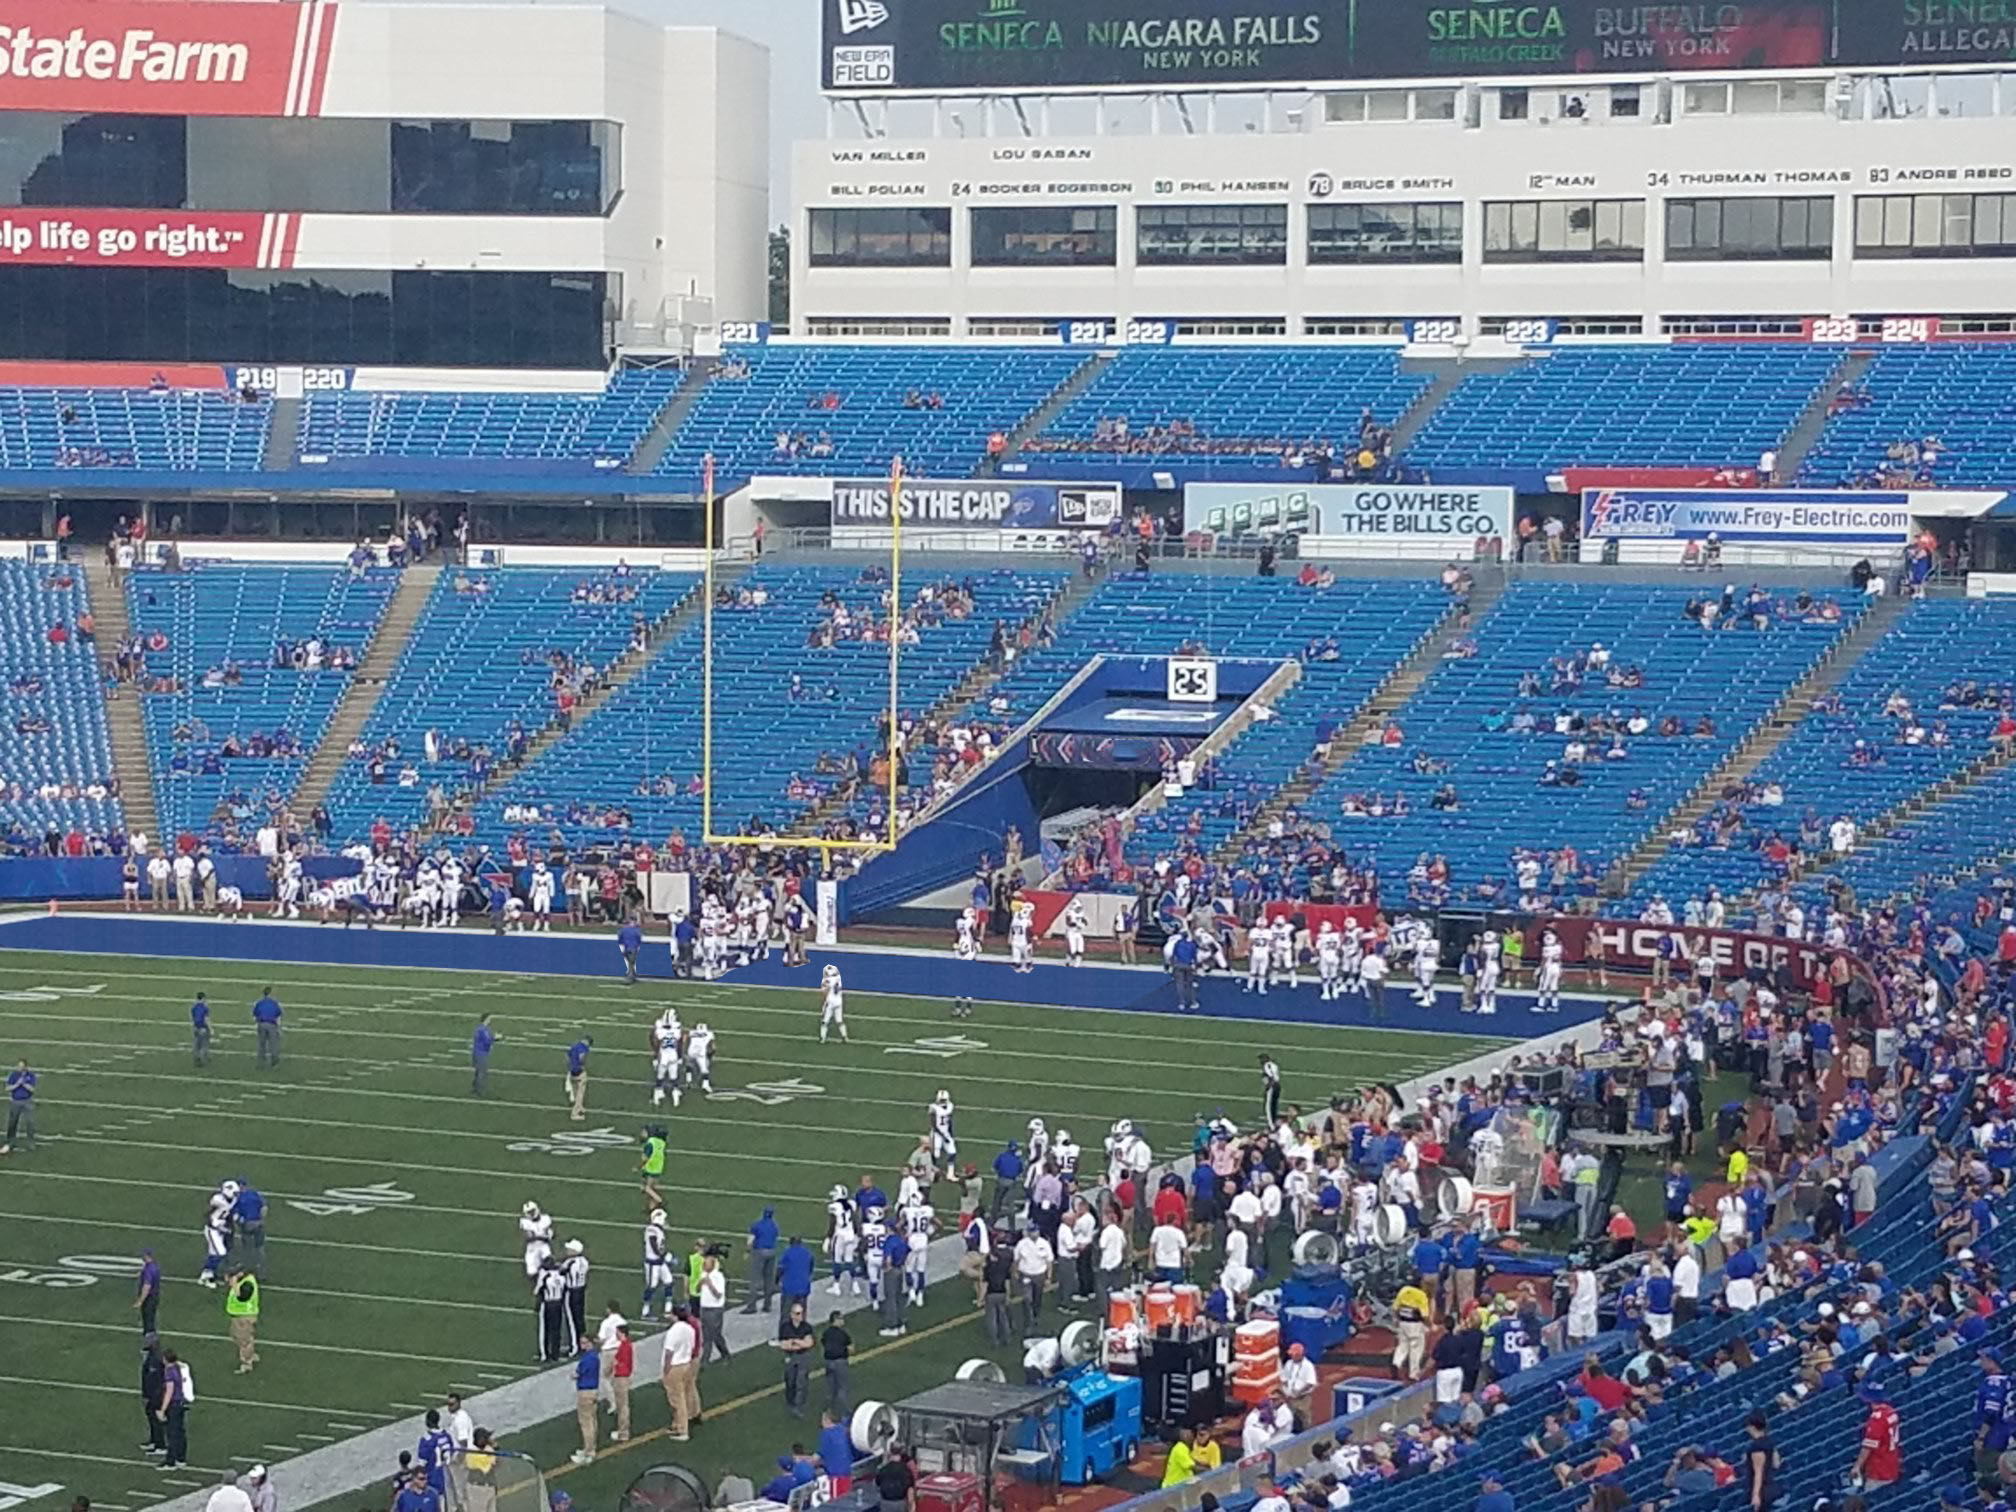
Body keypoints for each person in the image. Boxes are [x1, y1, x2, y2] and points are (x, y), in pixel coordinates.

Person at [660, 1303, 700, 1441]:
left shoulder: (673, 1331)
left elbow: (669, 1352)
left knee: (677, 1400)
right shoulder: (690, 1329)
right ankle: (677, 1425)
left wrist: (666, 1369)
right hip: (686, 1364)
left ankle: (683, 1430)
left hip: (675, 1366)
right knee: (685, 1394)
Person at [779, 1299, 816, 1417]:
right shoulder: (785, 1327)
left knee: (801, 1382)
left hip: (802, 1357)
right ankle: (790, 1402)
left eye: (801, 1313)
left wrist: (794, 1341)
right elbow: (784, 1345)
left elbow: (809, 1343)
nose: (800, 1316)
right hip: (790, 1357)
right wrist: (800, 1342)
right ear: (792, 1315)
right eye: (797, 1313)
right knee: (790, 1381)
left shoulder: (806, 1327)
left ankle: (798, 1406)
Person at [158, 1348, 192, 1469]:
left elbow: (169, 1391)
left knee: (172, 1433)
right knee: (180, 1432)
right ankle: (181, 1458)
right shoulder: (179, 1368)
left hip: (174, 1404)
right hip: (181, 1403)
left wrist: (162, 1410)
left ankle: (171, 1460)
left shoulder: (170, 1372)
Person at [224, 1266, 260, 1372]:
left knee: (244, 1340)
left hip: (244, 1316)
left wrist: (234, 1285)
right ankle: (250, 1354)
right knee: (241, 1336)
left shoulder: (247, 1284)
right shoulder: (245, 1280)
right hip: (241, 1316)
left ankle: (246, 1362)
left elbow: (242, 1297)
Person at [570, 1337, 600, 1464]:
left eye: (584, 1342)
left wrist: (573, 1375)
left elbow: (578, 1374)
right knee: (592, 1420)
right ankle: (590, 1447)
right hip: (594, 1390)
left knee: (586, 1423)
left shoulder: (587, 1359)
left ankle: (589, 1451)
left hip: (585, 1392)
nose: (582, 1345)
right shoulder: (595, 1357)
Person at [1743, 1409, 1777, 1511]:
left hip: (1762, 1490)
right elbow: (1776, 1463)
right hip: (1770, 1484)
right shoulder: (1770, 1441)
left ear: (1752, 1427)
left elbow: (1758, 1473)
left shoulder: (1756, 1447)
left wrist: (1756, 1495)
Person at [140, 1333, 168, 1457]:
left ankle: (160, 1444)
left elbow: (157, 1380)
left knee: (156, 1420)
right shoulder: (152, 1357)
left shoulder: (156, 1360)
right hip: (151, 1394)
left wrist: (155, 1396)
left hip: (156, 1395)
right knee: (151, 1417)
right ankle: (154, 1440)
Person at [822, 1311, 853, 1416]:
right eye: (841, 1319)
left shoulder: (826, 1333)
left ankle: (828, 1410)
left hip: (829, 1362)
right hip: (840, 1362)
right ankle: (845, 1411)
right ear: (836, 1320)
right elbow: (851, 1349)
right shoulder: (843, 1334)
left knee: (830, 1388)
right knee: (842, 1388)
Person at [4, 1057, 38, 1152]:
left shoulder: (31, 1076)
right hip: (16, 1101)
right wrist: (17, 1084)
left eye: (21, 1067)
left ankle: (31, 1143)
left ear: (26, 1067)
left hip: (27, 1101)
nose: (20, 1068)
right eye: (19, 1066)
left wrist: (24, 1084)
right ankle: (10, 1141)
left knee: (30, 1123)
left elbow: (32, 1089)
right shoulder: (14, 1075)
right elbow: (7, 1088)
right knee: (12, 1122)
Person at [564, 1035, 592, 1122]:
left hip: (572, 1072)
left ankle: (579, 1107)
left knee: (575, 1090)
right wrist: (582, 1066)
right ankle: (575, 1113)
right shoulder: (584, 1048)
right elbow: (582, 1058)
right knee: (580, 1093)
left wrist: (570, 1065)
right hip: (579, 1072)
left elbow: (567, 1056)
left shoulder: (574, 1046)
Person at [470, 1015, 499, 1096]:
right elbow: (487, 1041)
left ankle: (475, 1088)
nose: (490, 1021)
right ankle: (479, 1091)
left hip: (477, 1052)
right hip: (481, 1053)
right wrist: (496, 1038)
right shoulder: (483, 1029)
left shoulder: (481, 1028)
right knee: (482, 1072)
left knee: (478, 1071)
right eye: (489, 1019)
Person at [135, 1248, 162, 1334]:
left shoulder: (148, 1269)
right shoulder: (155, 1267)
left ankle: (150, 1344)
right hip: (155, 1297)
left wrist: (140, 1301)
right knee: (151, 1321)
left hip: (149, 1298)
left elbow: (147, 1286)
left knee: (148, 1324)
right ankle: (152, 1343)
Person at [191, 992, 212, 1066]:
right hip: (203, 1028)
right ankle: (201, 1059)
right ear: (203, 998)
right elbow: (206, 1019)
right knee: (204, 1045)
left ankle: (196, 1058)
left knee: (196, 1045)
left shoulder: (194, 1007)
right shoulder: (205, 1008)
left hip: (195, 1027)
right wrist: (211, 1029)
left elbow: (193, 1018)